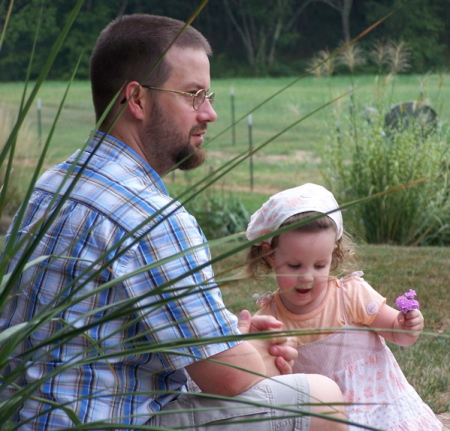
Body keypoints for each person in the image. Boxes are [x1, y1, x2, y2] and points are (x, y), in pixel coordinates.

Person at [0, 14, 348, 431]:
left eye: (209, 94)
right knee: (320, 399)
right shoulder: (152, 217)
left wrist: (228, 336)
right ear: (138, 100)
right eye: (193, 95)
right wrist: (251, 348)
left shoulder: (50, 186)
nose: (210, 113)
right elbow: (229, 377)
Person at [245, 183, 443, 431]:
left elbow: (397, 333)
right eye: (294, 266)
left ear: (333, 254)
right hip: (325, 422)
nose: (307, 277)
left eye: (319, 266)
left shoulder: (350, 295)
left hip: (381, 411)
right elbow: (266, 381)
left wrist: (407, 326)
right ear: (270, 255)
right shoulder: (269, 318)